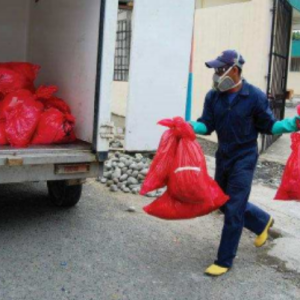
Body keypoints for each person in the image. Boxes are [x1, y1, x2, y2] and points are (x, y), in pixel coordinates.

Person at [190, 50, 300, 276]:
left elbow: (269, 126)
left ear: (235, 70)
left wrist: (292, 124)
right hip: (224, 155)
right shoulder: (213, 97)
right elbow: (206, 125)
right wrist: (188, 126)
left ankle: (224, 260)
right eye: (215, 70)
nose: (216, 74)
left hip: (245, 156)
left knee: (233, 209)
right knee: (221, 201)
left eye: (221, 70)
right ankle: (262, 222)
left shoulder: (255, 96)